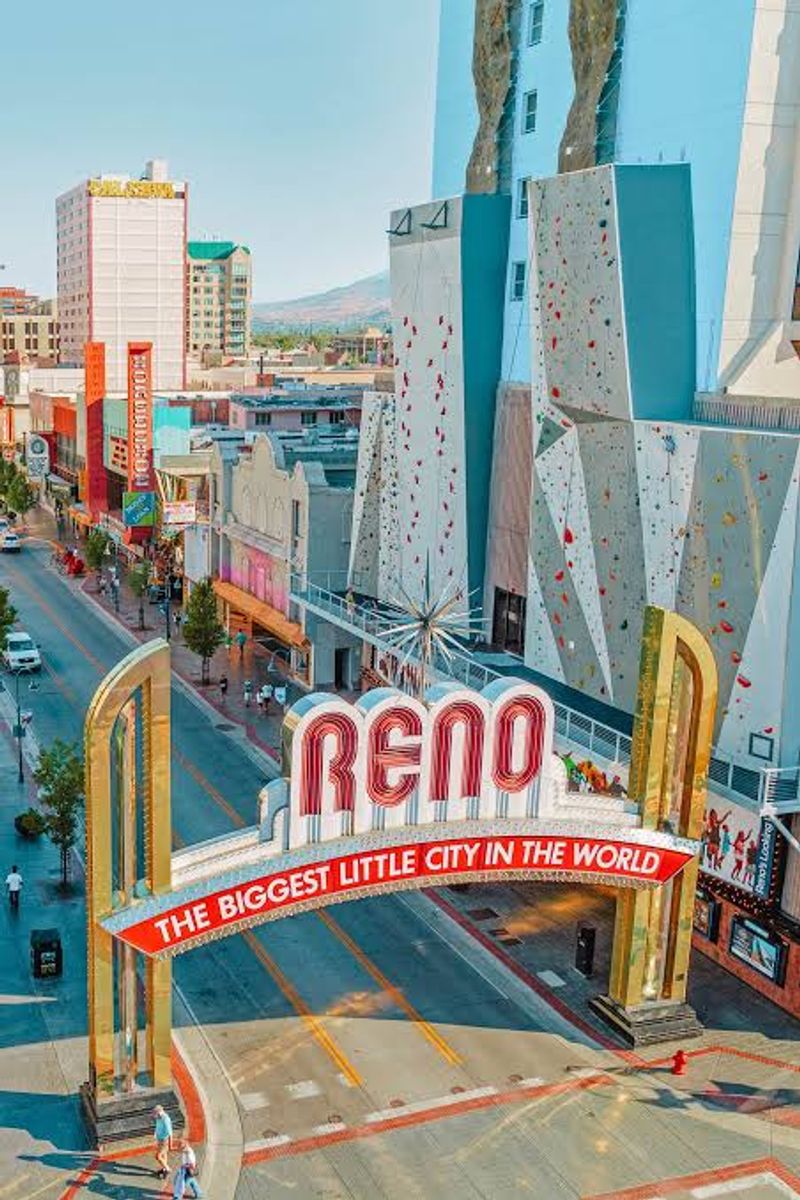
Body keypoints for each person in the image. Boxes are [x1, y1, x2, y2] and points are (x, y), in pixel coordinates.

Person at [152, 1104, 173, 1180]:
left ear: (159, 1113)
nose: (154, 1116)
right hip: (159, 1139)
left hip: (164, 1141)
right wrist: (155, 1137)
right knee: (164, 1155)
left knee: (158, 1156)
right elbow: (157, 1127)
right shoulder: (159, 1118)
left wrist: (170, 1145)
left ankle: (167, 1169)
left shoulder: (165, 1119)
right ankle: (164, 1169)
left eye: (155, 1114)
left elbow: (170, 1133)